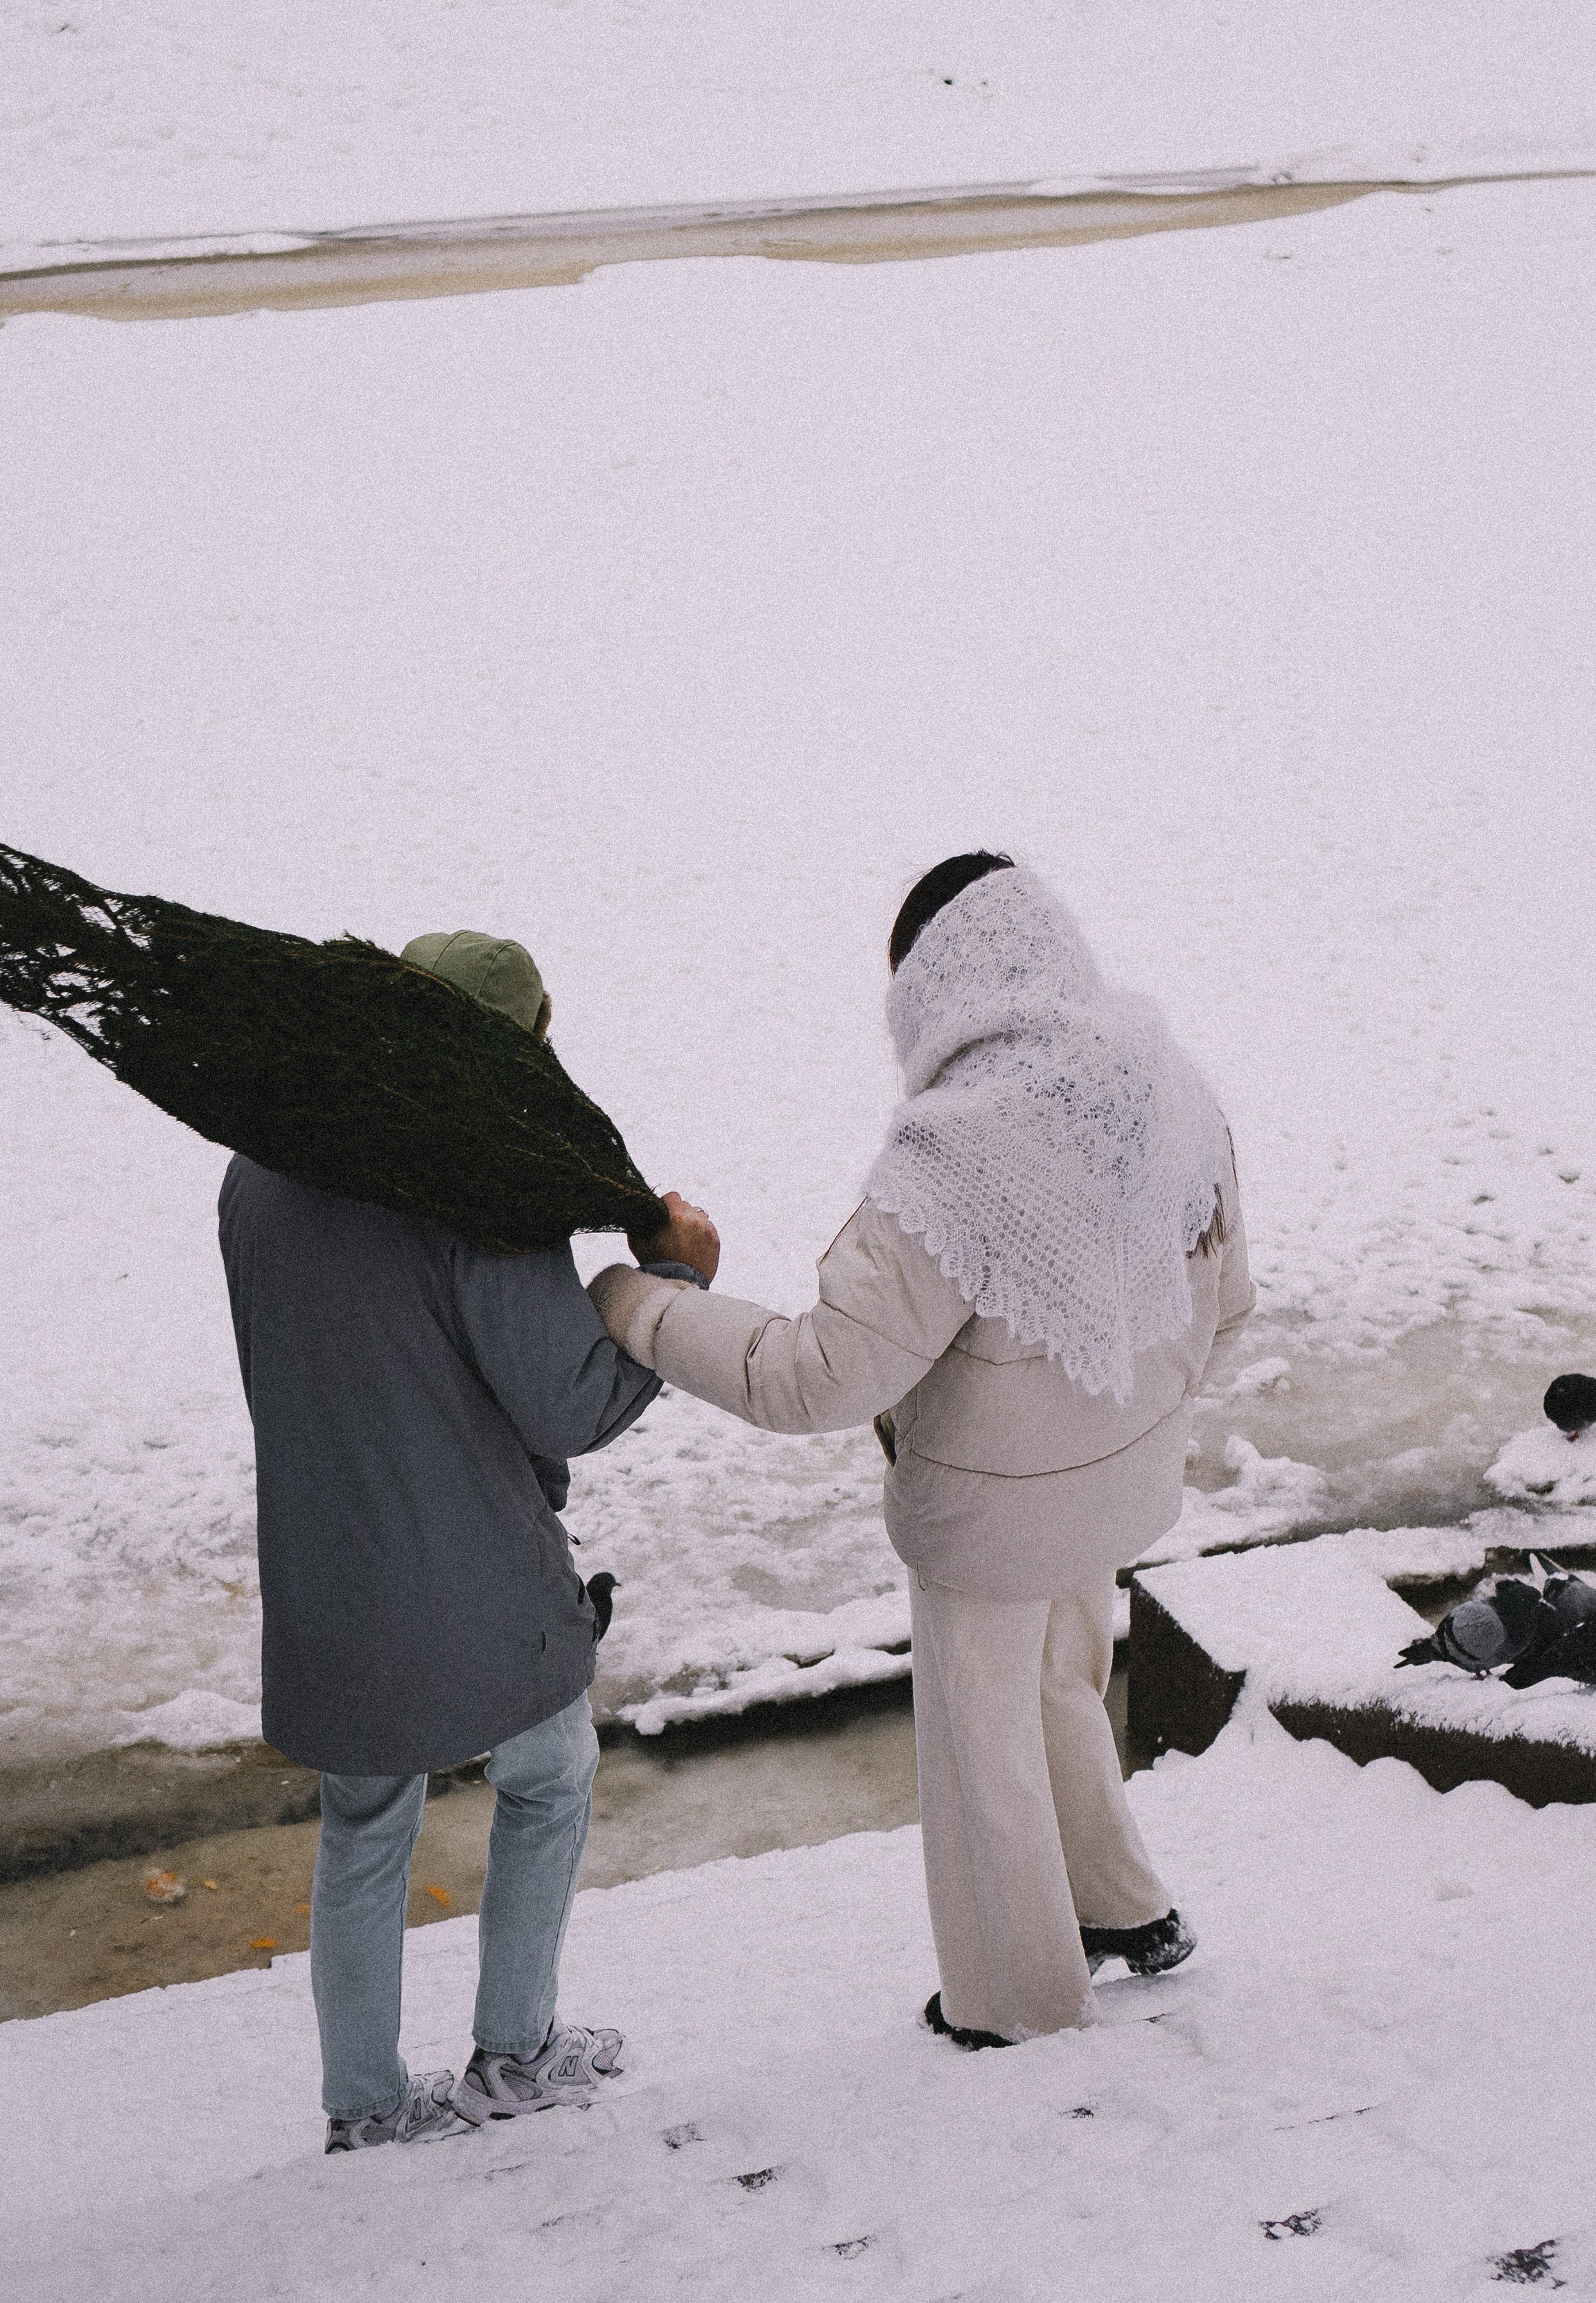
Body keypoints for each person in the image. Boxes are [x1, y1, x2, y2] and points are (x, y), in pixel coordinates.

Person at [593, 855, 1252, 2049]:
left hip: (989, 1520)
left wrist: (639, 1308)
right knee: (1066, 1682)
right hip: (1123, 1483)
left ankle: (1016, 2001)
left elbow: (814, 1376)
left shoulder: (953, 1159)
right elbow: (1230, 1300)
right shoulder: (1166, 1085)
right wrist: (1127, 1420)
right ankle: (1124, 1910)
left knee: (983, 1741)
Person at [218, 927, 719, 2151]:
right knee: (549, 1778)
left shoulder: (261, 1170)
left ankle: (366, 2109)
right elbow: (571, 1404)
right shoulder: (475, 1196)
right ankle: (517, 2053)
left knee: (365, 1821)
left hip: (326, 1567)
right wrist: (676, 1281)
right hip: (471, 1571)